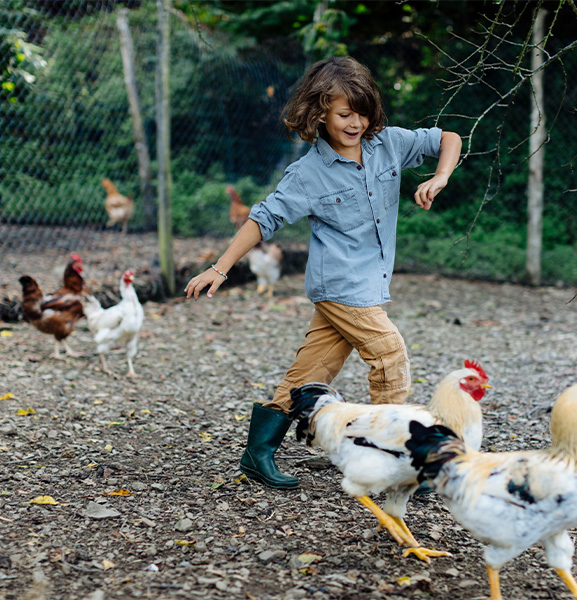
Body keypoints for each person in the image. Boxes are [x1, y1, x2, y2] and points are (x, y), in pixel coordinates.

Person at [184, 56, 462, 490]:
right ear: (320, 114)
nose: (355, 122)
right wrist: (220, 268)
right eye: (343, 113)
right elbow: (263, 217)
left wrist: (441, 176)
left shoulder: (389, 144)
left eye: (362, 111)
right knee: (389, 355)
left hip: (372, 283)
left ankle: (257, 453)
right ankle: (392, 456)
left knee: (310, 373)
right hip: (340, 285)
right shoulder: (308, 174)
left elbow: (448, 137)